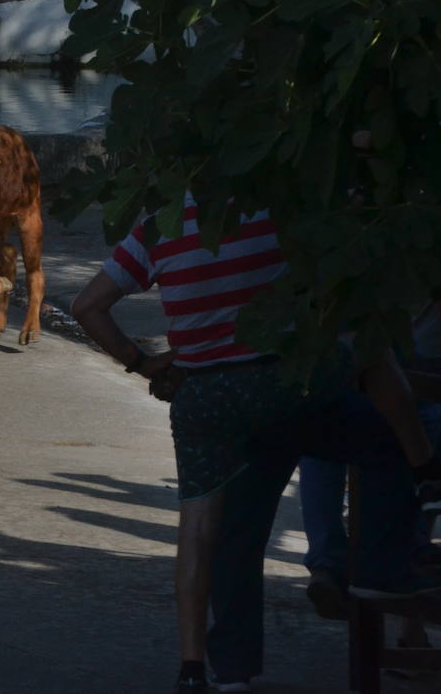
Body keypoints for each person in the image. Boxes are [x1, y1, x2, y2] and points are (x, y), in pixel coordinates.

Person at [72, 197, 440, 692]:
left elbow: (86, 307)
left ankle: (213, 670)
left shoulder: (157, 228)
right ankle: (391, 542)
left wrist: (141, 362)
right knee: (385, 399)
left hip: (210, 400)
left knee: (215, 534)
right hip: (289, 384)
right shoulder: (275, 206)